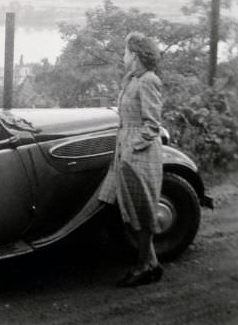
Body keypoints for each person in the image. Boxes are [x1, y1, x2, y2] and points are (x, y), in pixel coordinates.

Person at [98, 31, 164, 287]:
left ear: (134, 55)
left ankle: (143, 267)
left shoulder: (148, 81)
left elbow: (152, 125)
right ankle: (152, 264)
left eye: (125, 52)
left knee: (141, 211)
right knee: (126, 207)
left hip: (140, 154)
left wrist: (131, 149)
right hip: (125, 150)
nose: (123, 56)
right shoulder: (131, 79)